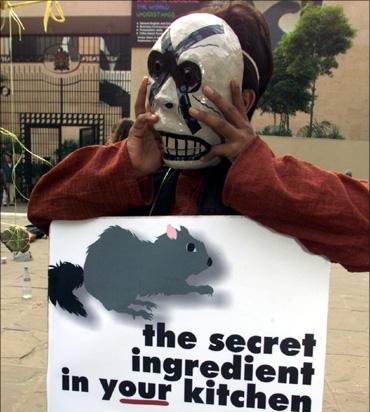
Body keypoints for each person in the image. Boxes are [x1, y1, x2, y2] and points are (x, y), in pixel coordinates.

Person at [27, 1, 369, 273]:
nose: (165, 97)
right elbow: (44, 207)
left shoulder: (273, 185)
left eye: (190, 76)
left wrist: (262, 175)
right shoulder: (146, 172)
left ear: (244, 99)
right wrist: (124, 165)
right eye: (162, 73)